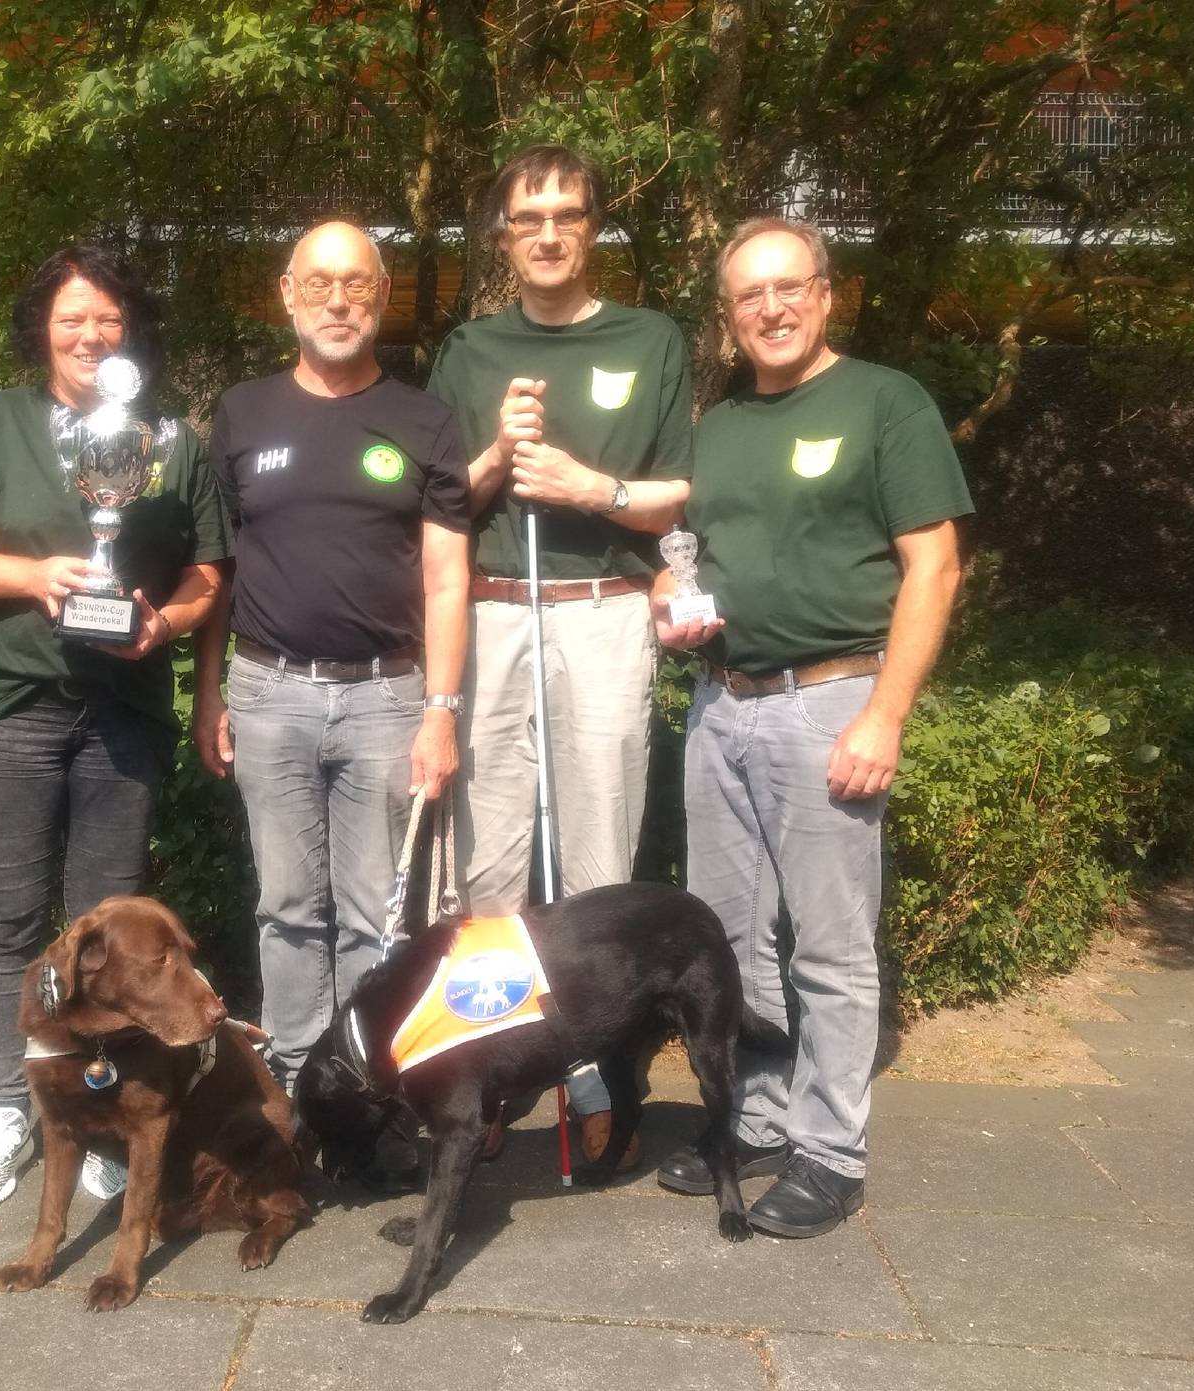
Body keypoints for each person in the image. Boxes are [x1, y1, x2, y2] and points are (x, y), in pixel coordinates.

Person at [649, 215, 971, 1238]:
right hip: (721, 706)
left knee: (829, 945)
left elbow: (935, 566)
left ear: (828, 294)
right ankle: (755, 1119)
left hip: (833, 699)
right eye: (751, 294)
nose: (773, 308)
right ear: (729, 315)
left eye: (791, 286)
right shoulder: (719, 426)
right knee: (727, 939)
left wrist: (886, 714)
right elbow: (688, 558)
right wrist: (670, 600)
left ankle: (831, 1150)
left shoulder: (885, 401)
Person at [0, 245, 231, 1209]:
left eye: (108, 318)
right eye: (71, 317)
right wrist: (31, 575)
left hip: (125, 714)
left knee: (115, 933)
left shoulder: (169, 439)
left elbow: (209, 572)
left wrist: (165, 623)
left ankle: (100, 1111)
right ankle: (10, 1105)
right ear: (42, 328)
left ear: (131, 330)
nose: (91, 333)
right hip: (10, 699)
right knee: (10, 921)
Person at [426, 144, 694, 1165]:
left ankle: (597, 1068)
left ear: (592, 227)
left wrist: (589, 487)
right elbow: (439, 506)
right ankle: (489, 1069)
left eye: (567, 215)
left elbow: (677, 495)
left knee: (597, 860)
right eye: (528, 217)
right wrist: (499, 453)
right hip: (494, 609)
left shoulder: (650, 339)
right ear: (503, 236)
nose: (547, 233)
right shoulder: (470, 349)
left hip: (602, 610)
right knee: (487, 863)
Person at [192, 222, 472, 1132]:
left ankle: (365, 1091)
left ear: (383, 295)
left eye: (356, 283)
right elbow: (218, 569)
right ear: (288, 294)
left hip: (389, 698)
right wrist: (208, 689)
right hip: (267, 691)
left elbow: (447, 577)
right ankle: (295, 1097)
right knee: (285, 907)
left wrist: (441, 710)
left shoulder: (426, 421)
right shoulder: (242, 413)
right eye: (319, 283)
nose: (338, 300)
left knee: (373, 915)